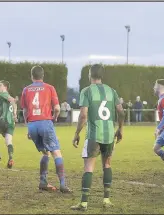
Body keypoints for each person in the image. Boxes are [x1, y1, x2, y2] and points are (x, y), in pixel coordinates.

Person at [71, 64, 125, 211]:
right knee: (107, 165)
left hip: (94, 135)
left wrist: (77, 133)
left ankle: (83, 203)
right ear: (102, 75)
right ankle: (106, 200)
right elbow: (121, 112)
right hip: (109, 135)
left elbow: (83, 115)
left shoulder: (86, 91)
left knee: (89, 167)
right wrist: (120, 128)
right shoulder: (111, 91)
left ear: (90, 75)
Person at [21, 66, 72, 193]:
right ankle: (63, 185)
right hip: (45, 122)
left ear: (32, 76)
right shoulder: (49, 88)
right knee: (56, 152)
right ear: (43, 76)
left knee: (45, 152)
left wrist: (28, 126)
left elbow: (25, 110)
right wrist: (54, 118)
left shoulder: (26, 90)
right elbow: (57, 109)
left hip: (32, 124)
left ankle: (43, 182)